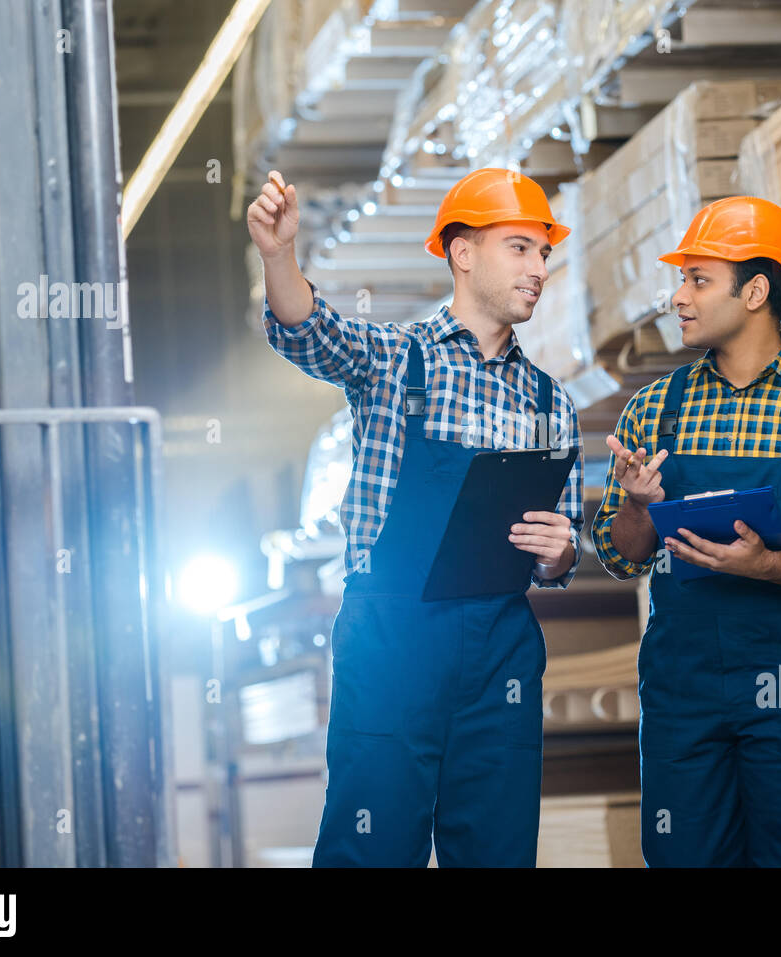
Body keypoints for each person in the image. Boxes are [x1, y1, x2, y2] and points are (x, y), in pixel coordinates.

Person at [248, 167, 584, 866]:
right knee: (372, 845)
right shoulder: (396, 359)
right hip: (393, 641)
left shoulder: (552, 403)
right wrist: (279, 256)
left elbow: (562, 547)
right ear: (463, 252)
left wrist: (560, 552)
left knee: (496, 849)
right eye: (520, 247)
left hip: (500, 650)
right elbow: (309, 330)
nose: (539, 268)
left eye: (544, 252)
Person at [590, 196, 781, 866]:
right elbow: (618, 554)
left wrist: (769, 566)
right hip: (682, 692)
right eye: (682, 279)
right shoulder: (655, 409)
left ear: (756, 290)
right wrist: (638, 505)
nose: (678, 296)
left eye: (698, 279)